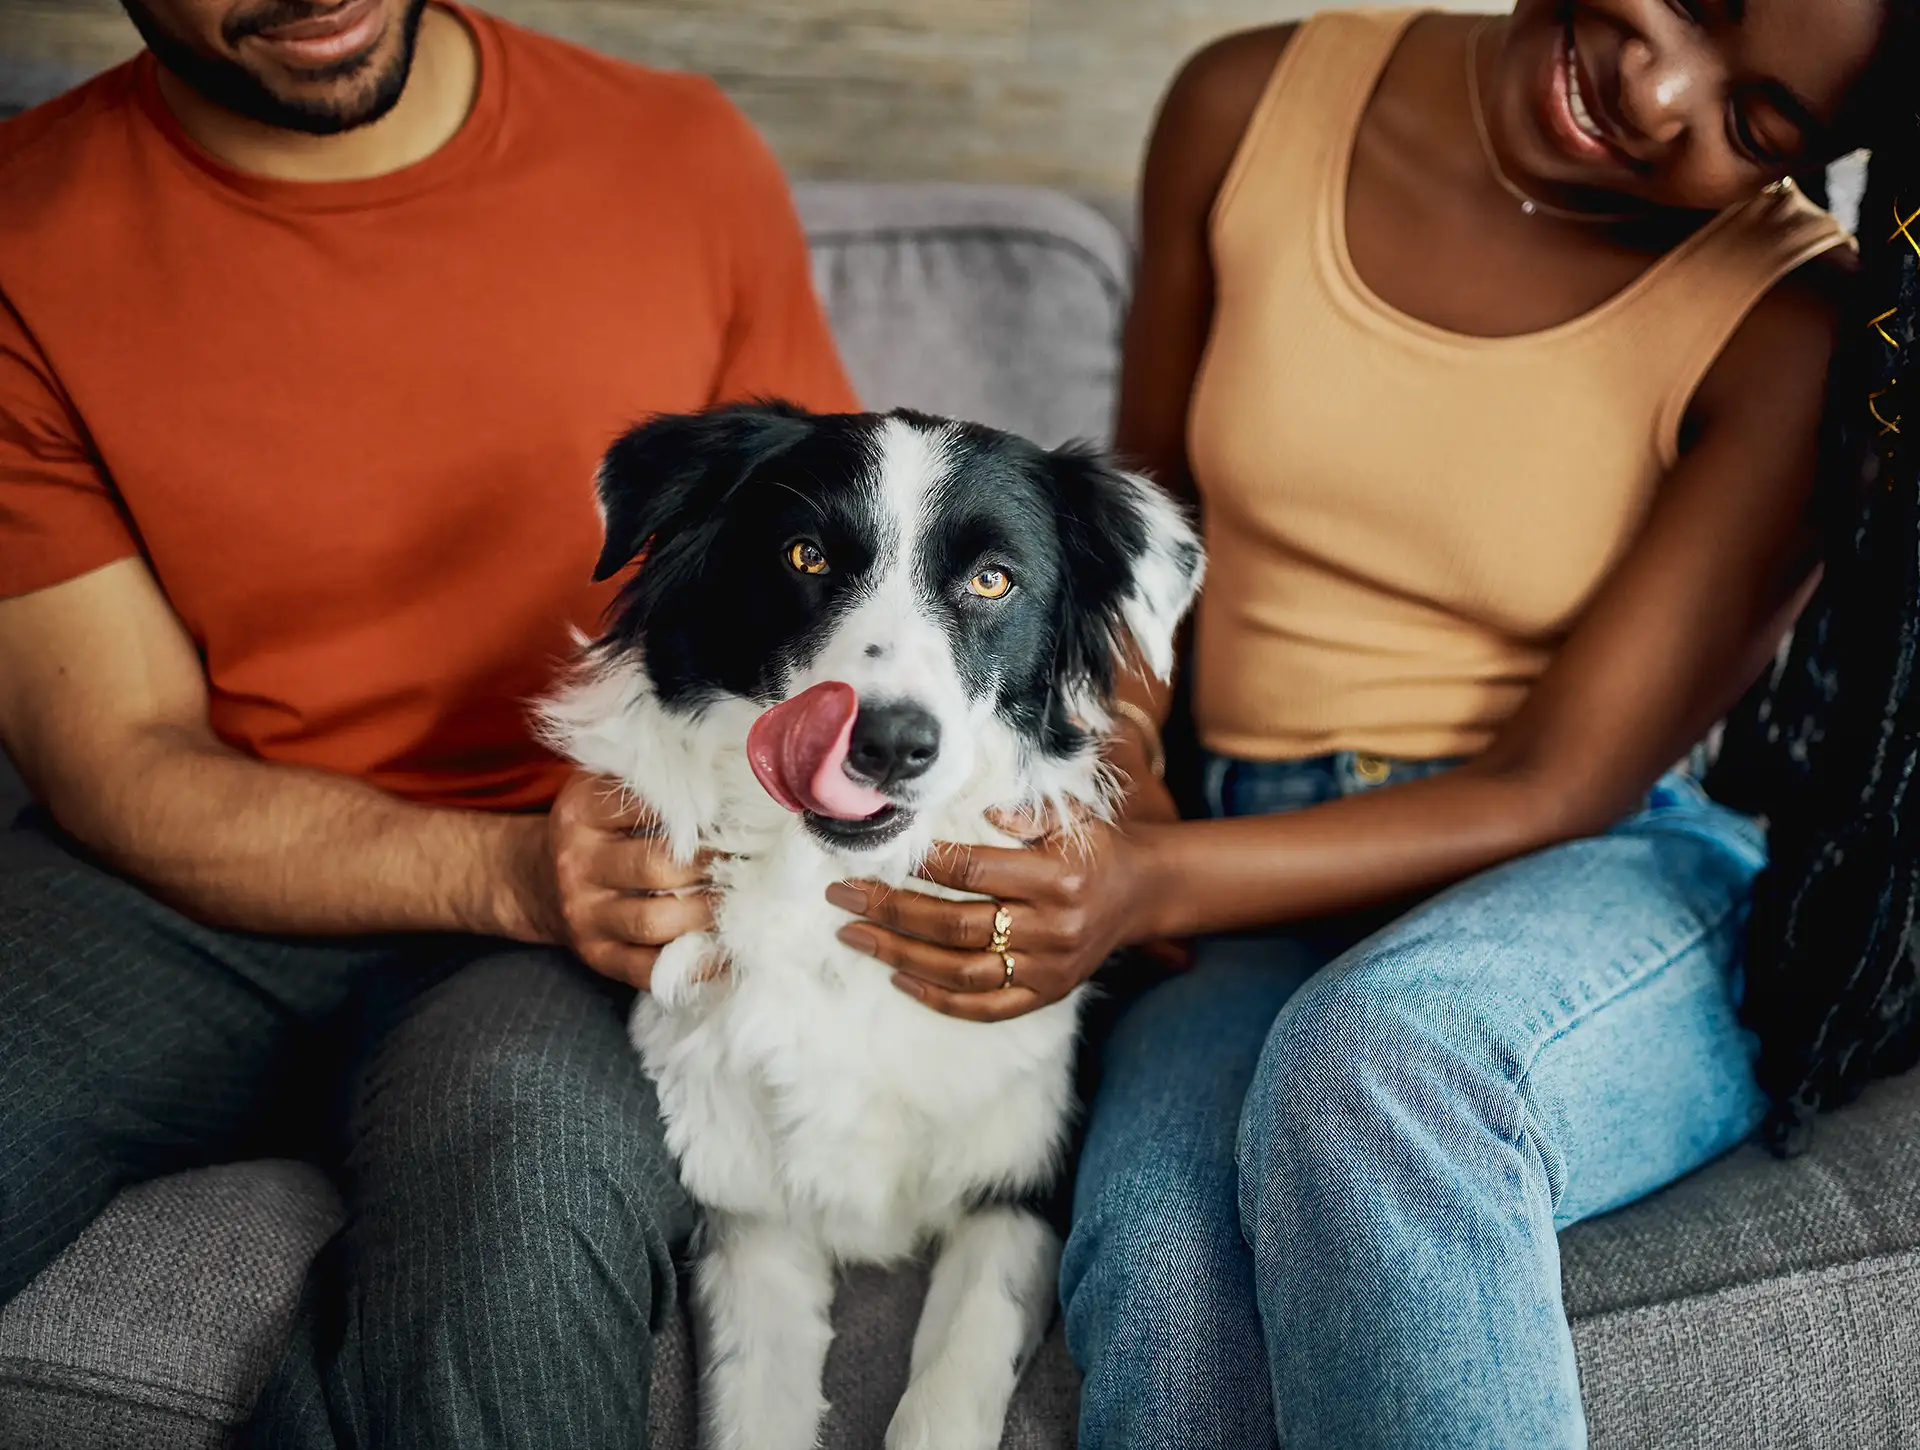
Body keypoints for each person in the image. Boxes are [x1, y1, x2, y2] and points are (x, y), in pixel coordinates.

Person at [825, 1, 1914, 1445]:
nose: (1661, 89)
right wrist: (1121, 780)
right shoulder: (1247, 102)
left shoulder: (1792, 326)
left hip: (1586, 877)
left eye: (1757, 123)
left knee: (1386, 1065)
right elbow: (1153, 539)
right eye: (1699, 1)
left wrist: (1150, 878)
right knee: (1159, 1249)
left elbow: (1561, 780)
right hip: (1251, 867)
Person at [0, 1, 856, 1445]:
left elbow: (841, 603)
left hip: (605, 879)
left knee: (522, 1190)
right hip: (184, 880)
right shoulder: (25, 233)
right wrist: (504, 870)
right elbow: (119, 756)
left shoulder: (677, 154)